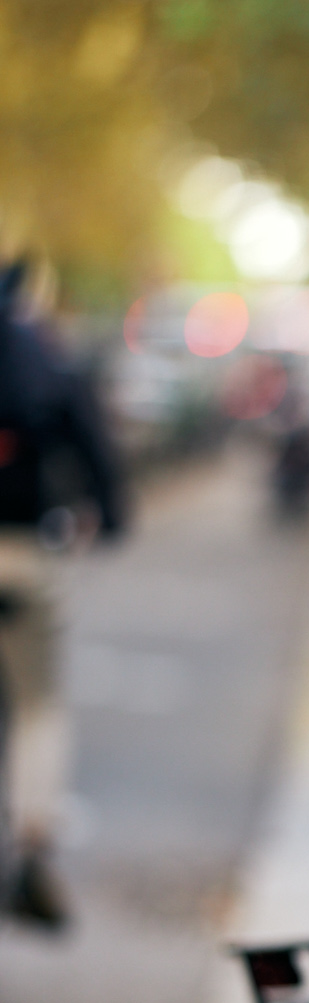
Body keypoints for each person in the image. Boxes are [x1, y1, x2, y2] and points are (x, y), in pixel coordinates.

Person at [0, 258, 127, 926]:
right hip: (20, 552)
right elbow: (91, 439)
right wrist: (109, 512)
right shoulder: (35, 350)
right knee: (37, 707)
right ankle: (31, 842)